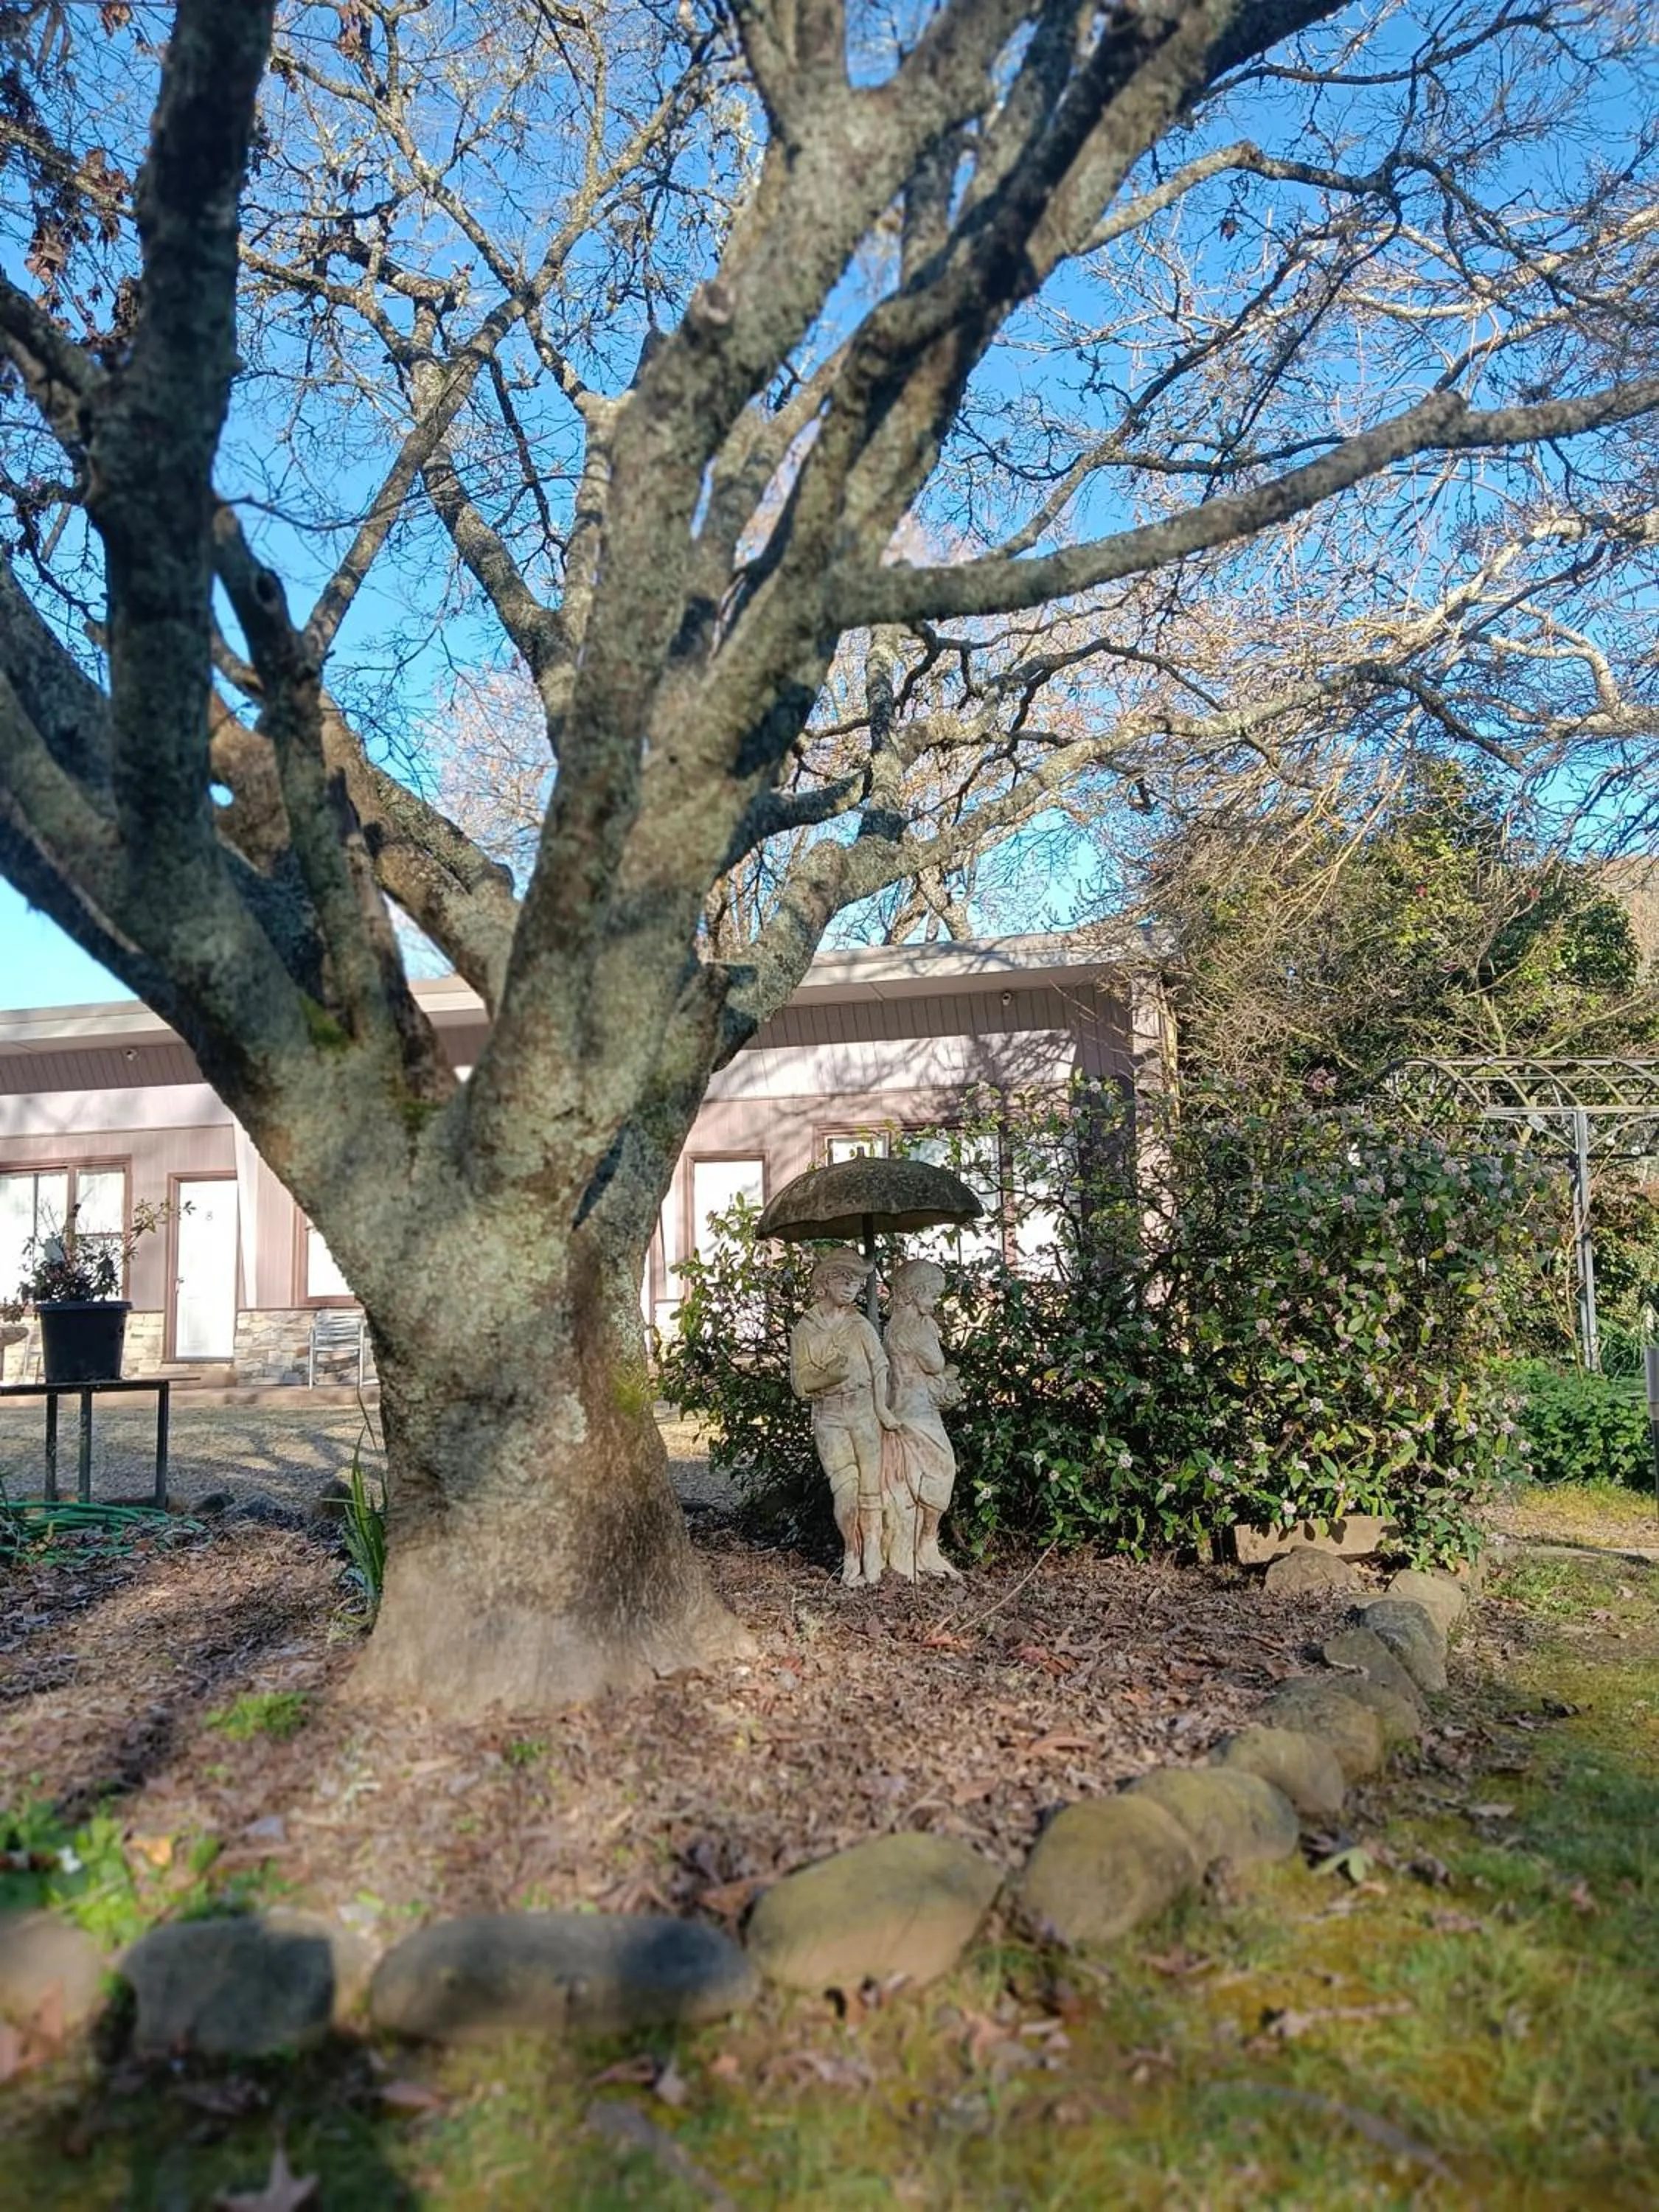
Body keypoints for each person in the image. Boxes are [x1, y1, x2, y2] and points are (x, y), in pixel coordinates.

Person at [788, 1247, 901, 1587]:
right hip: (831, 1416)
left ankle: (873, 1557)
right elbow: (800, 1384)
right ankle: (852, 1551)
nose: (852, 1286)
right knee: (846, 1491)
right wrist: (829, 1377)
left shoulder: (859, 1324)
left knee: (871, 1490)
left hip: (864, 1411)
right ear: (824, 1281)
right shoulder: (806, 1328)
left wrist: (882, 1407)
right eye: (844, 1278)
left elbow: (881, 1366)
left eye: (857, 1280)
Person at [881, 1258, 962, 1579]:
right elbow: (934, 1362)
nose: (935, 1302)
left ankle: (919, 1547)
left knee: (915, 1478)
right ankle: (923, 1546)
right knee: (941, 1470)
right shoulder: (913, 1328)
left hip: (908, 1406)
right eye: (931, 1295)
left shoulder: (896, 1325)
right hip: (916, 1412)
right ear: (914, 1293)